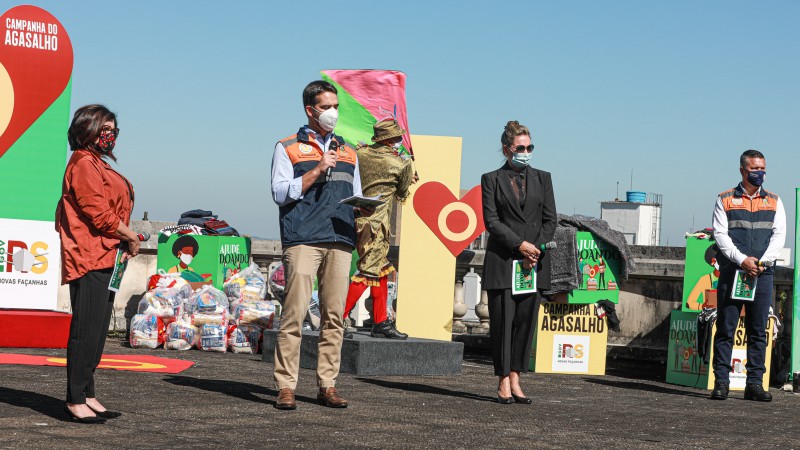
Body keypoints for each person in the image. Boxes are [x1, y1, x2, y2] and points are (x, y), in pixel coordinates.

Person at [270, 80, 372, 410]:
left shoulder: (348, 150)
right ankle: (286, 386)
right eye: (326, 107)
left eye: (336, 106)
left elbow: (352, 192)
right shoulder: (287, 146)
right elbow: (279, 193)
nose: (333, 113)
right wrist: (317, 169)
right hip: (303, 239)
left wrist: (363, 206)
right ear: (310, 110)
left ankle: (327, 384)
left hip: (340, 238)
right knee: (294, 315)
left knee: (334, 317)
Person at [55, 104, 139, 423]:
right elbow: (99, 214)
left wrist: (123, 240)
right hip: (89, 255)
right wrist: (131, 236)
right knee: (85, 329)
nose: (111, 136)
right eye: (105, 129)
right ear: (87, 129)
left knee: (99, 329)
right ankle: (74, 398)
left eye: (114, 130)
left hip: (107, 255)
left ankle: (88, 393)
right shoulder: (82, 163)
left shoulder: (97, 164)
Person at [480, 121, 556, 404]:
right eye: (520, 148)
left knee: (525, 323)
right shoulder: (491, 179)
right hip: (504, 260)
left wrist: (535, 247)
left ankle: (516, 378)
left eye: (529, 147)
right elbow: (492, 220)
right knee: (502, 323)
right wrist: (519, 244)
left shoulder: (543, 178)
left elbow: (551, 219)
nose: (526, 152)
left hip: (532, 262)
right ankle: (501, 380)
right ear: (507, 149)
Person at [709, 149, 786, 402]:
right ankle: (721, 382)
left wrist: (762, 262)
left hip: (762, 274)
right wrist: (742, 260)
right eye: (755, 169)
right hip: (734, 271)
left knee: (757, 330)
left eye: (762, 168)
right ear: (742, 170)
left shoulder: (774, 200)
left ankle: (755, 383)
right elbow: (721, 236)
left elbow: (779, 235)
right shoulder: (725, 199)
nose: (760, 173)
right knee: (726, 329)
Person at [343, 119, 417, 339]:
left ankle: (380, 321)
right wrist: (408, 178)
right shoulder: (401, 163)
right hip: (378, 225)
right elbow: (402, 194)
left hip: (358, 219)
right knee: (368, 272)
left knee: (380, 268)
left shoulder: (360, 154)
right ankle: (337, 318)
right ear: (392, 139)